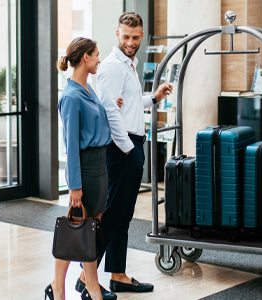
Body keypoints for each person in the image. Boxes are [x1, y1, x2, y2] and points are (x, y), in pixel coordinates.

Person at [74, 12, 172, 298]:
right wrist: (129, 150)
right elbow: (111, 112)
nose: (131, 42)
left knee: (122, 215)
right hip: (122, 148)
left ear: (141, 36)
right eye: (126, 37)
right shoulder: (113, 67)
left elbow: (127, 103)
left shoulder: (128, 65)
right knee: (113, 215)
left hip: (129, 145)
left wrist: (154, 97)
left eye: (135, 37)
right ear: (117, 34)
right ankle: (86, 276)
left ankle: (118, 275)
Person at [47, 37, 109, 300]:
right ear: (85, 57)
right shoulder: (71, 96)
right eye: (96, 54)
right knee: (77, 229)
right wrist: (74, 186)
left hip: (100, 168)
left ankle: (65, 286)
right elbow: (71, 145)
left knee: (88, 232)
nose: (98, 59)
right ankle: (77, 288)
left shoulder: (88, 89)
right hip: (85, 169)